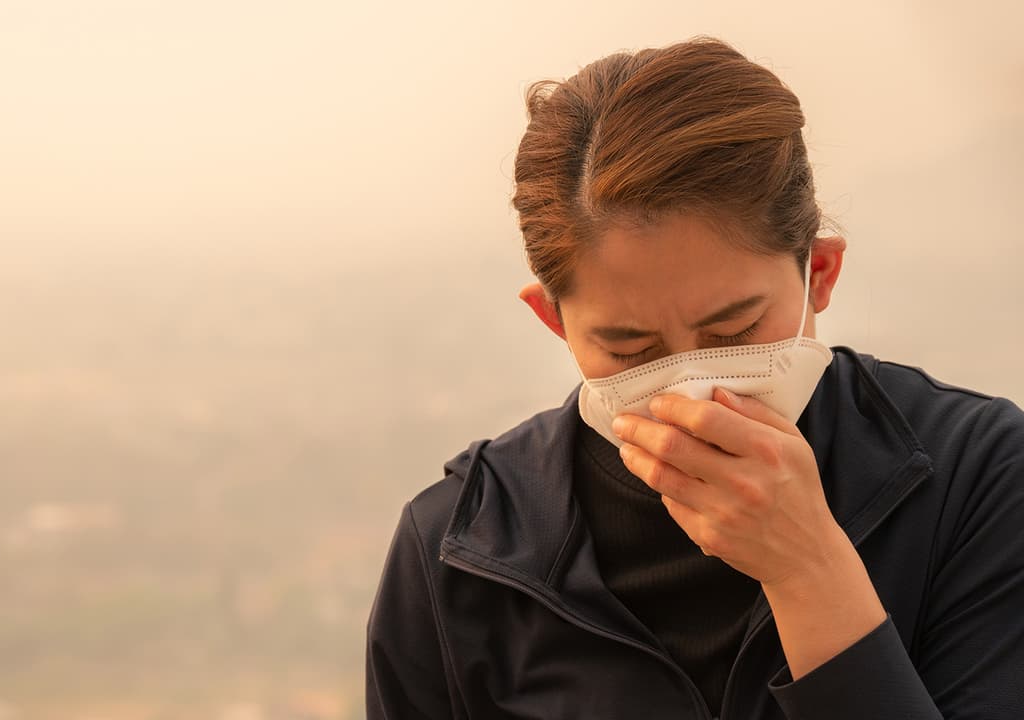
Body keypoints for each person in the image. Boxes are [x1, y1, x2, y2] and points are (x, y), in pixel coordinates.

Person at [364, 37, 1024, 719]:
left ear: (818, 274)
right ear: (554, 321)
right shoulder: (464, 550)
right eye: (629, 349)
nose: (688, 385)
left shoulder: (977, 477)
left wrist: (809, 574)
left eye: (733, 332)